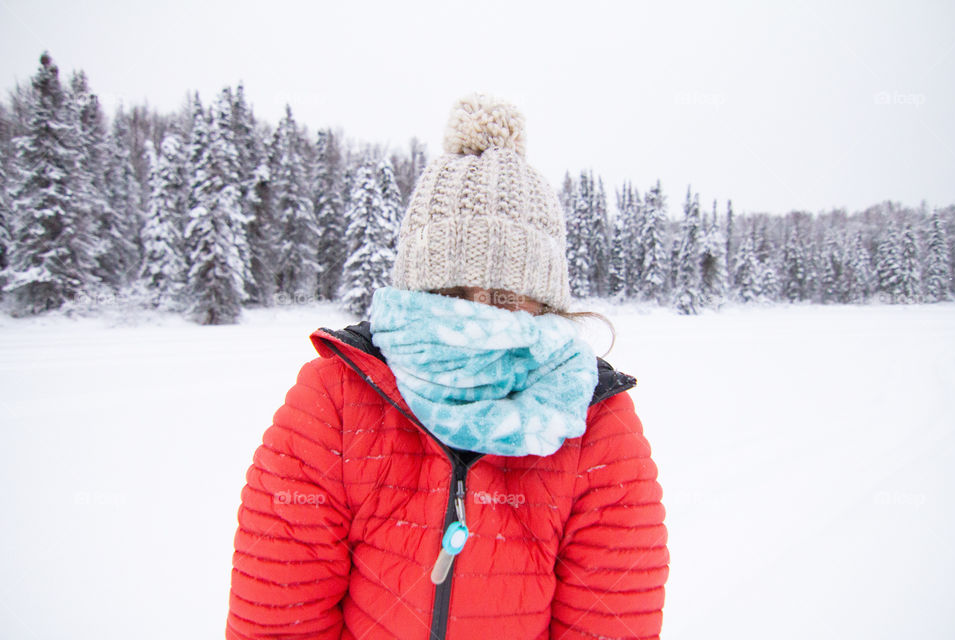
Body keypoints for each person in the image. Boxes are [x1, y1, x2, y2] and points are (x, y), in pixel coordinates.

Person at [226, 93, 669, 640]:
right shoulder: (335, 402)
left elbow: (610, 624)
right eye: (452, 294)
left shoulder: (596, 422)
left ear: (545, 301)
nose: (477, 317)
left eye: (506, 297)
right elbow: (279, 620)